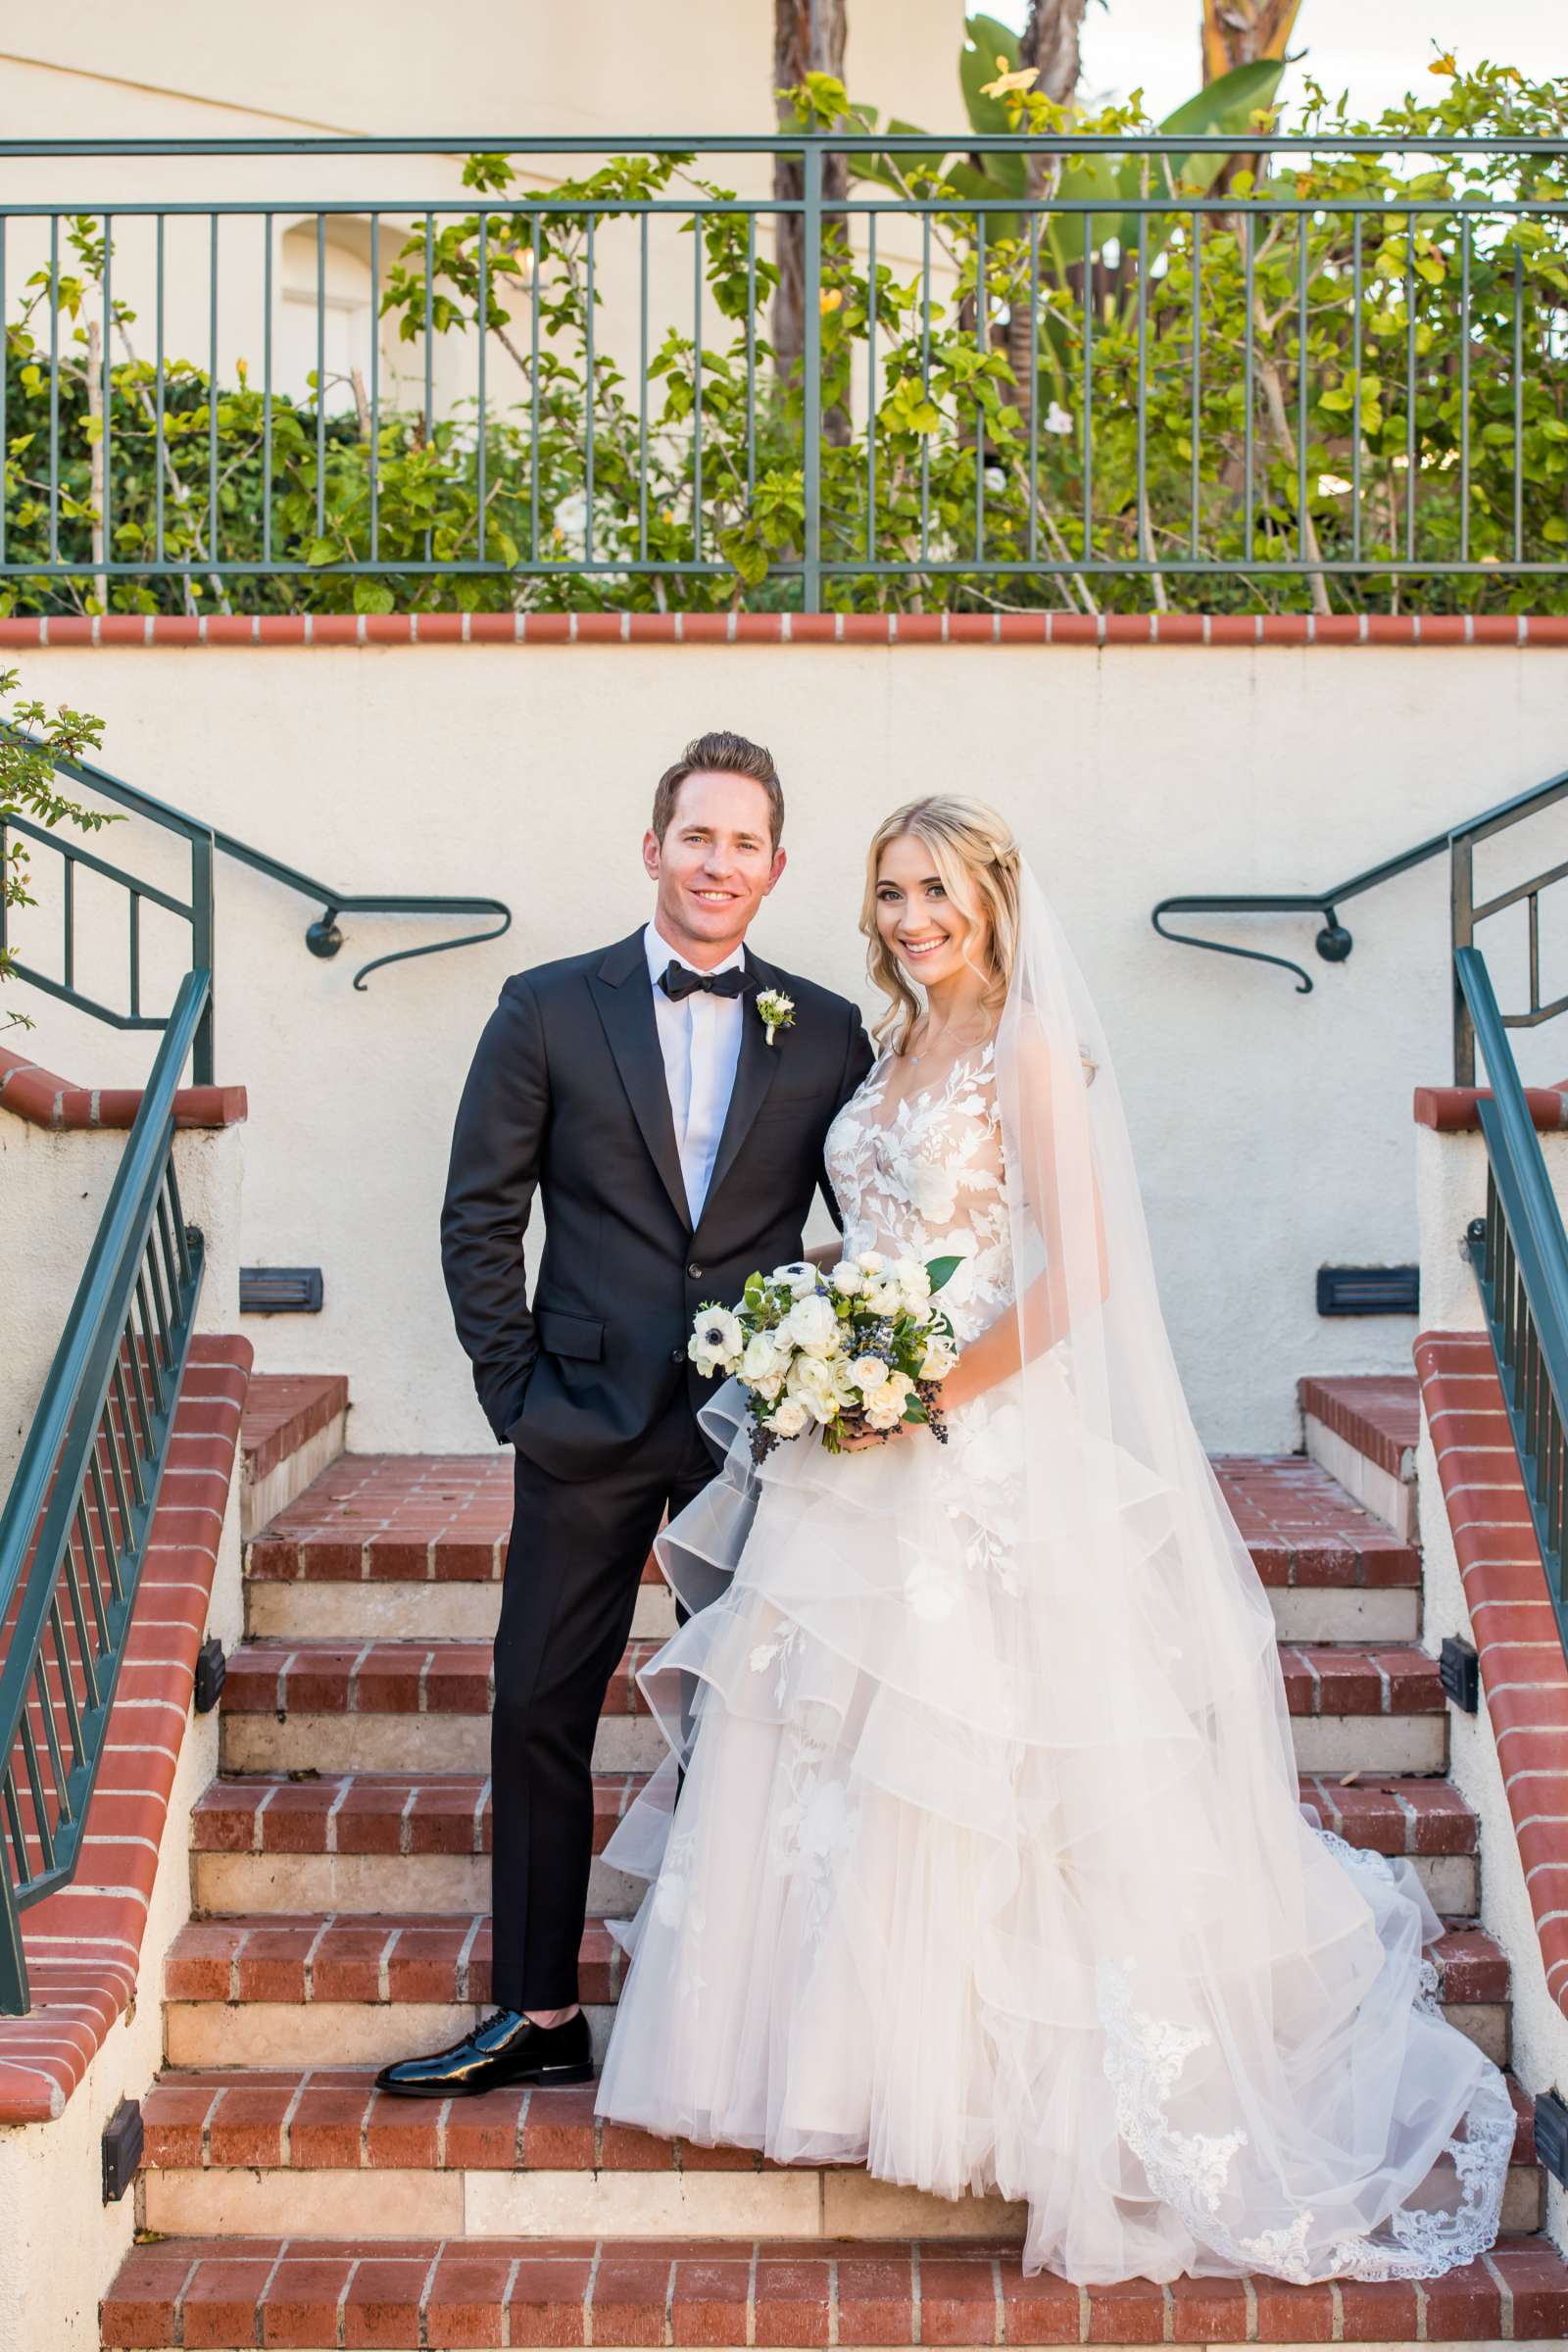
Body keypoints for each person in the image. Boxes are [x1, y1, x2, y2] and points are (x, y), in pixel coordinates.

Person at [592, 793, 1514, 2285]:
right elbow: (887, 1231)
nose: (909, 918)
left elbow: (1075, 1272)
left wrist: (916, 1391)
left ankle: (1012, 2104)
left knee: (979, 1761)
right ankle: (839, 2071)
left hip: (968, 1445)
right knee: (829, 1747)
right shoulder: (891, 1050)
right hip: (855, 1446)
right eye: (889, 892)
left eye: (937, 890)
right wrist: (821, 1326)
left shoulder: (1031, 1045)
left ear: (996, 892)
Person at [375, 731, 873, 2098]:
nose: (720, 863)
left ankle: (751, 2015)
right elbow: (481, 1213)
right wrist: (517, 1395)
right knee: (538, 1697)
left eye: (746, 843)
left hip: (759, 1429)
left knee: (761, 1718)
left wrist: (857, 1368)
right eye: (697, 837)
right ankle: (539, 2014)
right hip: (581, 1417)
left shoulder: (829, 1028)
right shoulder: (544, 1008)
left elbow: (880, 1227)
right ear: (652, 848)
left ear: (780, 868)